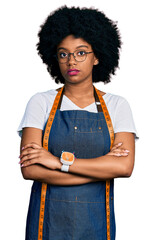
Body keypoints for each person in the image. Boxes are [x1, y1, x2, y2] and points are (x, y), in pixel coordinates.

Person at [18, 6, 138, 240]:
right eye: (64, 54)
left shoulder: (117, 106)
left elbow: (124, 167)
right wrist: (102, 169)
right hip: (47, 225)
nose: (71, 61)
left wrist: (56, 162)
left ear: (97, 56)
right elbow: (30, 169)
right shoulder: (40, 102)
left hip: (96, 226)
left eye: (81, 52)